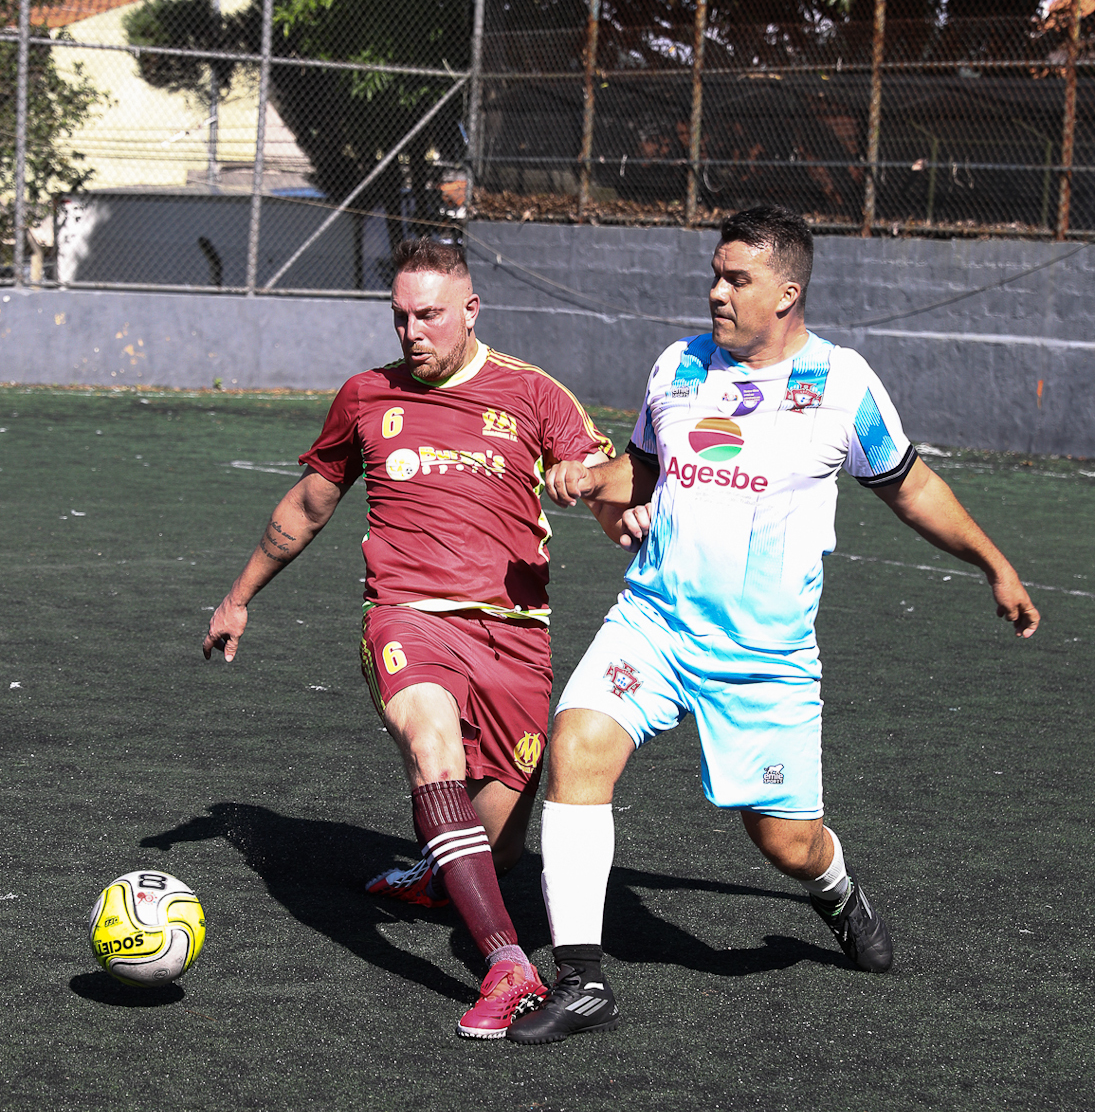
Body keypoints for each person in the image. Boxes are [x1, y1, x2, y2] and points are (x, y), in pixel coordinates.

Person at [507, 203, 1041, 1045]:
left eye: (736, 279)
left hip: (764, 658)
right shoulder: (677, 367)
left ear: (787, 292)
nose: (714, 292)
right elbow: (643, 469)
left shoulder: (842, 385)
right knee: (576, 746)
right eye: (714, 275)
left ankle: (835, 891)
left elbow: (910, 486)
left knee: (784, 841)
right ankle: (581, 981)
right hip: (654, 624)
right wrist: (590, 480)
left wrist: (993, 563)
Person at [202, 237, 613, 1039]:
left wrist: (616, 503)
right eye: (400, 318)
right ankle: (507, 966)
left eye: (428, 315)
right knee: (432, 749)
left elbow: (603, 480)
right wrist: (238, 596)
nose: (412, 333)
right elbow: (310, 506)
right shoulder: (365, 396)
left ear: (470, 311)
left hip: (514, 638)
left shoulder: (533, 395)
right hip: (406, 617)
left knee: (490, 850)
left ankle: (435, 874)